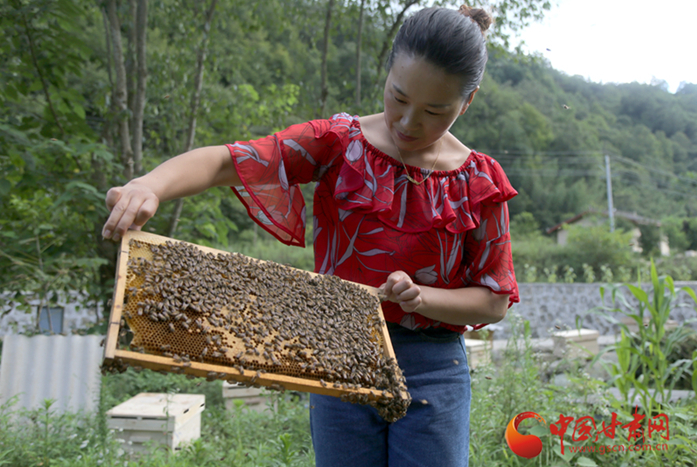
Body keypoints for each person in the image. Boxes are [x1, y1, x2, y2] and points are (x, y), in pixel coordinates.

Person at [102, 5, 519, 466]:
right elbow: (228, 161)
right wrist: (150, 185)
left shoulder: (479, 181)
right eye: (398, 98)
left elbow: (493, 299)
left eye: (434, 111)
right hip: (338, 355)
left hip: (434, 369)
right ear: (387, 74)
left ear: (469, 101)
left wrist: (421, 297)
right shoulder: (340, 143)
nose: (407, 122)